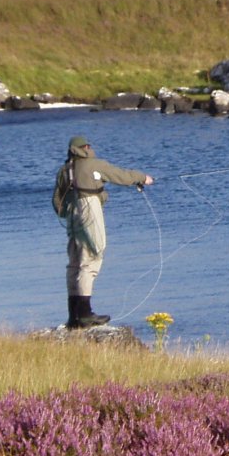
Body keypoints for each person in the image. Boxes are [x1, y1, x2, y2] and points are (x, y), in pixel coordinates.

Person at [52, 135, 153, 329]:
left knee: (75, 263)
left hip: (73, 214)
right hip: (89, 209)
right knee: (92, 258)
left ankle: (74, 317)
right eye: (87, 146)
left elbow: (57, 200)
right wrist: (142, 178)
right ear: (83, 149)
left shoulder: (64, 170)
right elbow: (121, 175)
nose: (89, 148)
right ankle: (85, 314)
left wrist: (67, 213)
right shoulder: (94, 164)